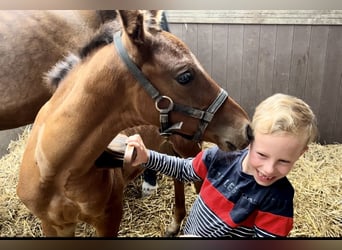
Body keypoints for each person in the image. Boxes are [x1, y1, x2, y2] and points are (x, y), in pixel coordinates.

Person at [126, 93, 318, 238]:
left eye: (283, 161)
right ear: (249, 137)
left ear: (301, 154)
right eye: (262, 154)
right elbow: (185, 169)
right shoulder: (221, 156)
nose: (268, 169)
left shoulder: (278, 200)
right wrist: (147, 157)